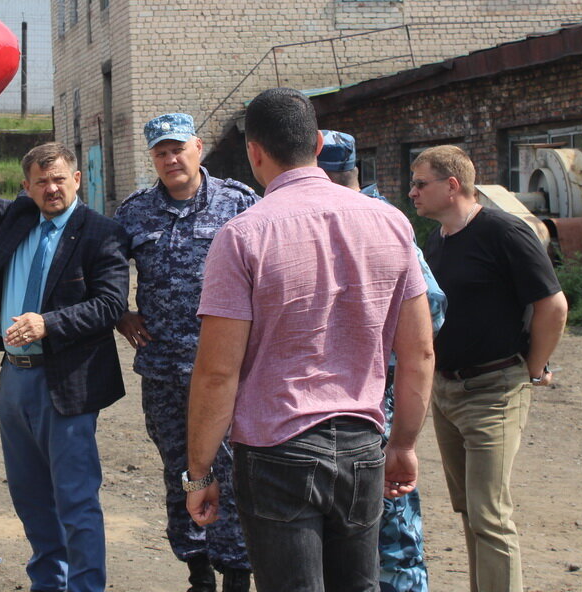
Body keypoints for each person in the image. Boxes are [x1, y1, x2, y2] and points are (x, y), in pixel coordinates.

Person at [184, 88, 435, 592]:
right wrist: (403, 443)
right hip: (363, 443)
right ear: (319, 143)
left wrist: (199, 471)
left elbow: (217, 371)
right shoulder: (391, 223)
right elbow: (419, 352)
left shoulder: (243, 235)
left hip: (278, 453)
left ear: (254, 151)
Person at [0, 143, 130, 592]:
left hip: (66, 384)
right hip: (14, 380)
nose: (52, 189)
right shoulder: (22, 218)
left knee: (76, 500)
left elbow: (110, 304)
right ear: (28, 188)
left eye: (60, 179)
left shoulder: (102, 232)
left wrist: (48, 323)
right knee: (30, 497)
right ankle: (49, 583)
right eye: (41, 182)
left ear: (77, 180)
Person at [408, 145, 567, 592]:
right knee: (469, 509)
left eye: (421, 183)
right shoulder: (437, 239)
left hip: (495, 388)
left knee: (490, 514)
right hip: (447, 390)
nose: (412, 192)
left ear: (452, 185)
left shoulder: (504, 232)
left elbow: (552, 306)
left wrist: (532, 370)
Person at [114, 113, 259, 592]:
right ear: (152, 158)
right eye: (160, 152)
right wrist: (119, 313)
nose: (171, 159)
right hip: (165, 372)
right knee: (181, 468)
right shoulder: (134, 212)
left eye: (178, 149)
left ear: (198, 147)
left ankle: (237, 570)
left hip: (229, 368)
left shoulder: (238, 202)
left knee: (233, 469)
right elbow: (104, 270)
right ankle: (198, 571)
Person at [318, 130, 446, 592]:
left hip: (377, 395)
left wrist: (369, 339)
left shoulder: (384, 221)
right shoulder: (337, 218)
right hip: (346, 400)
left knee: (390, 530)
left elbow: (430, 310)